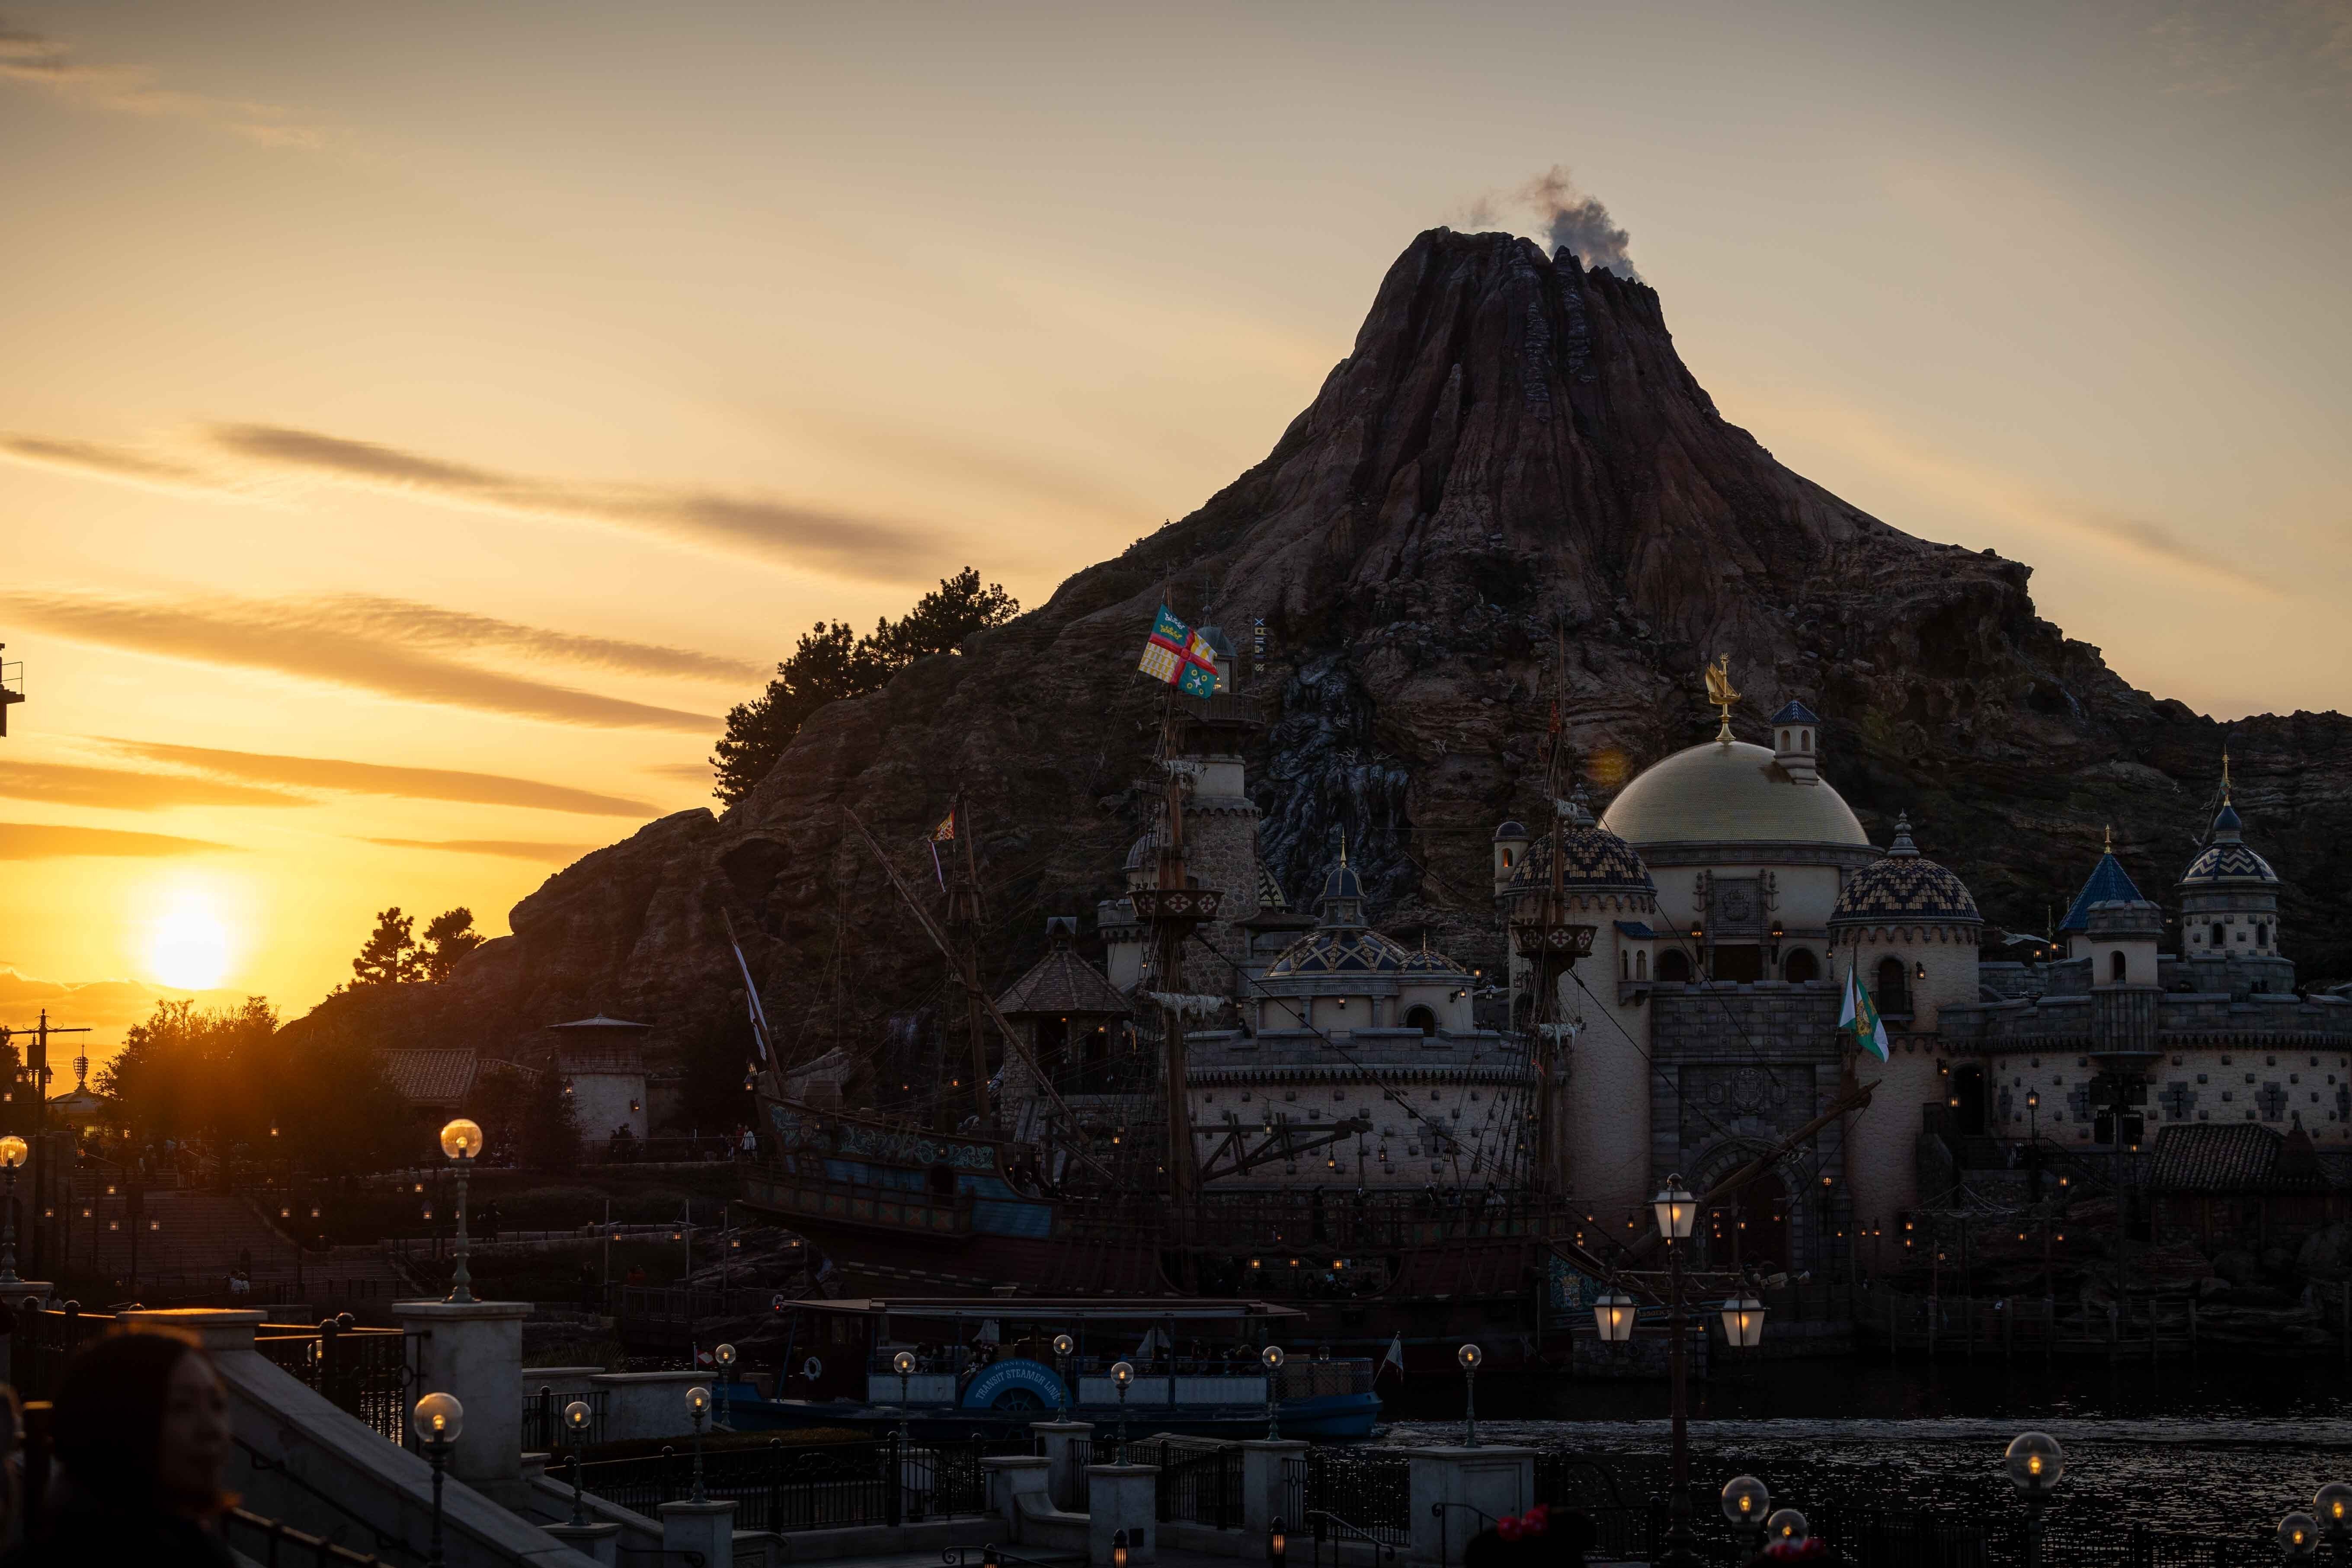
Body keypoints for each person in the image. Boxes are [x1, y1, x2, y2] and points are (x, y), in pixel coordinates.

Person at [6, 1329, 235, 1566]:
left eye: (217, 1405)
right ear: (116, 1422)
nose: (212, 1429)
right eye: (182, 1407)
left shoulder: (195, 1544)